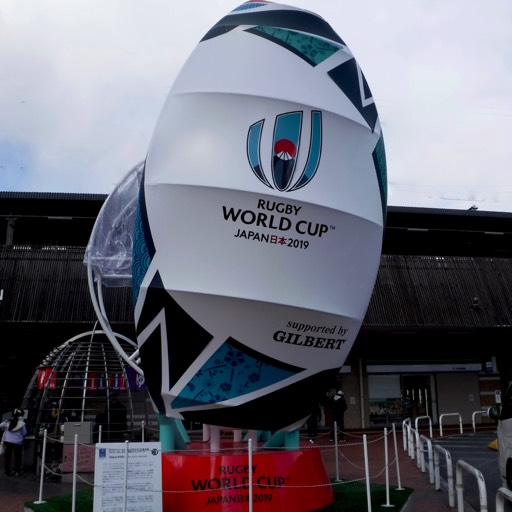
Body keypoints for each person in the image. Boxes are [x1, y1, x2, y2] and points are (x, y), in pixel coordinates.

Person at [0, 408, 28, 476]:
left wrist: (5, 428)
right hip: (17, 442)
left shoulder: (8, 421)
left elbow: (1, 425)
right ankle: (17, 471)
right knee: (18, 457)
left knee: (8, 457)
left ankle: (7, 472)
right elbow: (24, 433)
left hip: (8, 441)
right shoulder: (22, 423)